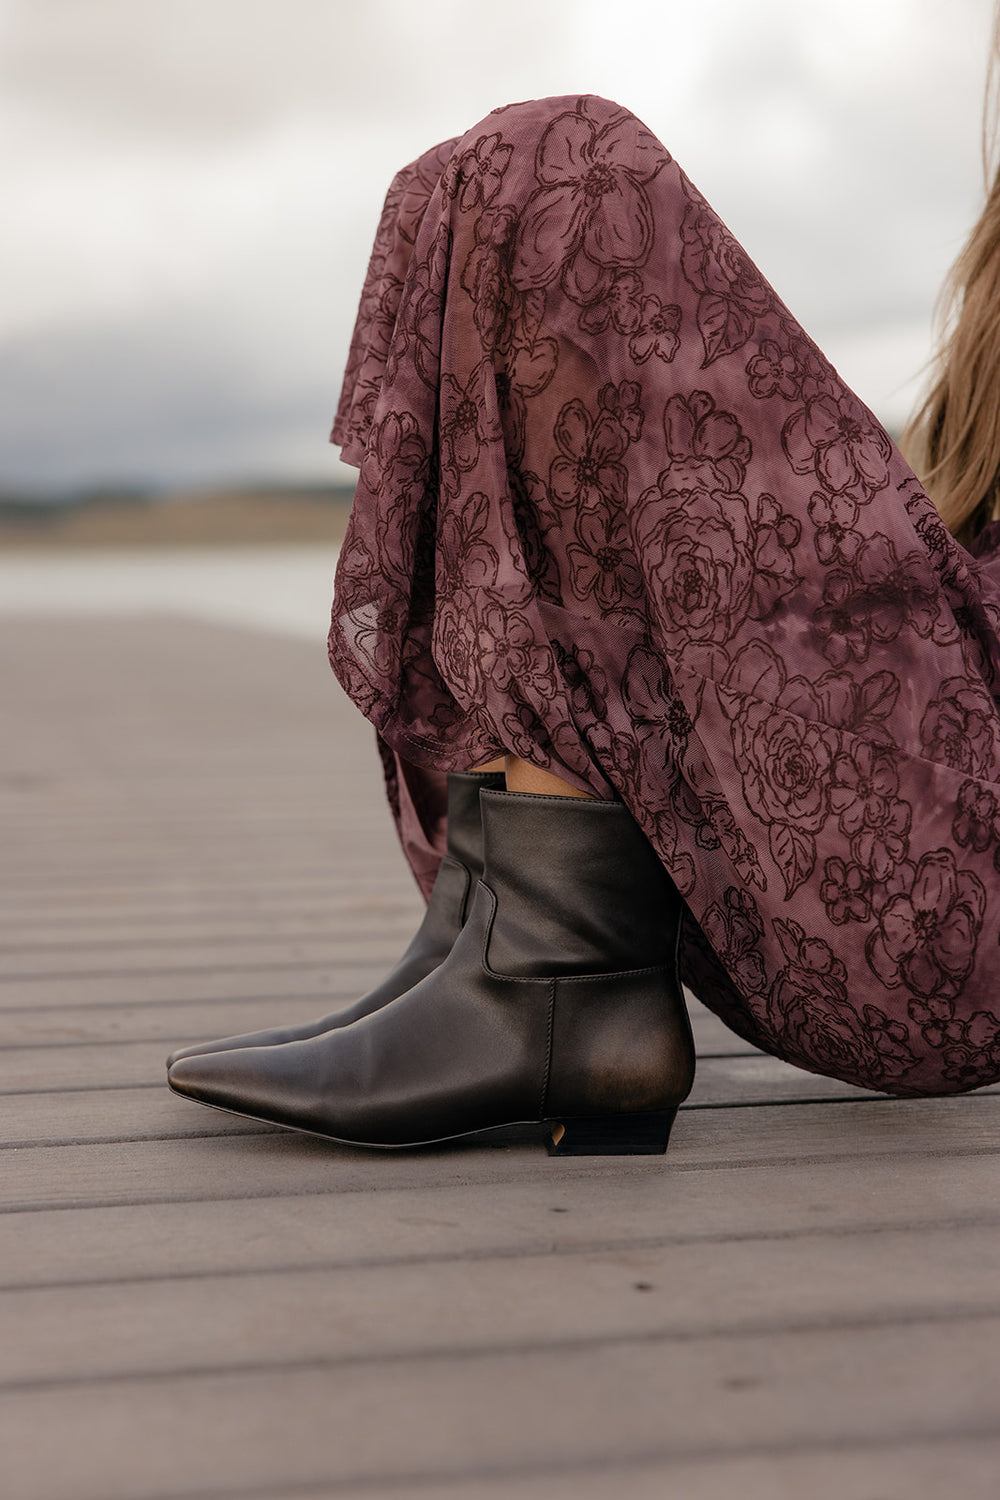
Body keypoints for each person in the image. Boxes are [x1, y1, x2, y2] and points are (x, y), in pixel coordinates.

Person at [167, 86, 1000, 1153]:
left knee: (562, 165)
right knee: (464, 184)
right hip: (928, 855)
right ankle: (509, 937)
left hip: (948, 908)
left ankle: (554, 978)